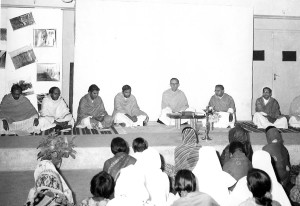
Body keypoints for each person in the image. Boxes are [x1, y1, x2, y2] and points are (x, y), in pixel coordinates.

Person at [262, 126, 291, 190]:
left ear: (268, 136)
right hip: (285, 178)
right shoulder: (284, 148)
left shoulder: (265, 149)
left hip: (274, 181)